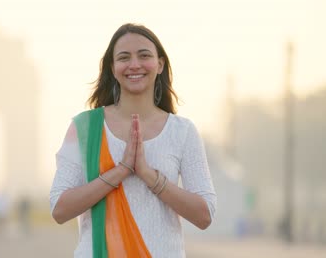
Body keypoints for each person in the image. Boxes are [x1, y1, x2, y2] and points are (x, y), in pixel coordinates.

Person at [49, 23, 216, 257]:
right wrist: (121, 170)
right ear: (113, 67)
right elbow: (59, 209)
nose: (134, 64)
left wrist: (148, 174)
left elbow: (204, 215)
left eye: (144, 55)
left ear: (159, 64)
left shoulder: (182, 131)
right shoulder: (85, 128)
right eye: (124, 57)